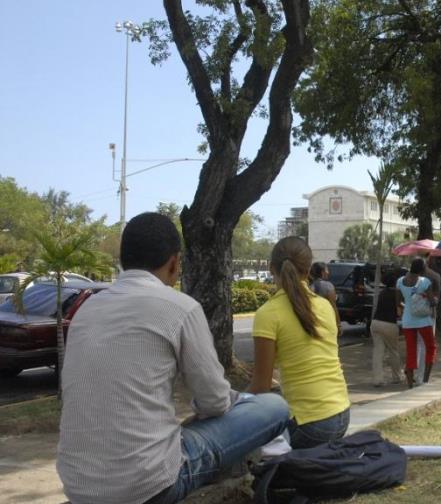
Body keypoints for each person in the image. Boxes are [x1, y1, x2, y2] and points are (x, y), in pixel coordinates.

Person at [58, 212, 290, 504]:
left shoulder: (86, 310)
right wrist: (226, 403)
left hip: (79, 485)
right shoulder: (180, 308)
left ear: (123, 260)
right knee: (274, 407)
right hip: (150, 485)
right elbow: (215, 402)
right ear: (174, 262)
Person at [249, 237, 351, 449]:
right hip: (342, 414)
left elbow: (260, 386)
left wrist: (231, 406)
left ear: (271, 269)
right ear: (308, 269)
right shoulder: (324, 306)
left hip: (310, 426)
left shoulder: (268, 314)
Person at [397, 258, 437, 387]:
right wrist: (430, 300)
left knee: (411, 351)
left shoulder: (400, 281)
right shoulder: (425, 282)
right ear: (422, 269)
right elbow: (432, 302)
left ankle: (410, 385)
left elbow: (398, 302)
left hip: (407, 321)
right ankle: (425, 380)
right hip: (424, 321)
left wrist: (410, 305)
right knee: (430, 347)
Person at [370, 271, 403, 387]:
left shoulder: (382, 292)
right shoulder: (397, 294)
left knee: (378, 351)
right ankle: (397, 376)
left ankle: (377, 379)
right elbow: (399, 312)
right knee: (393, 351)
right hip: (389, 324)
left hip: (375, 323)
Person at [309, 261, 340, 329]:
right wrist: (338, 324)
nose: (328, 272)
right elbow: (333, 306)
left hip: (311, 322)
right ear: (322, 272)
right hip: (326, 321)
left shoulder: (308, 286)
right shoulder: (328, 286)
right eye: (327, 270)